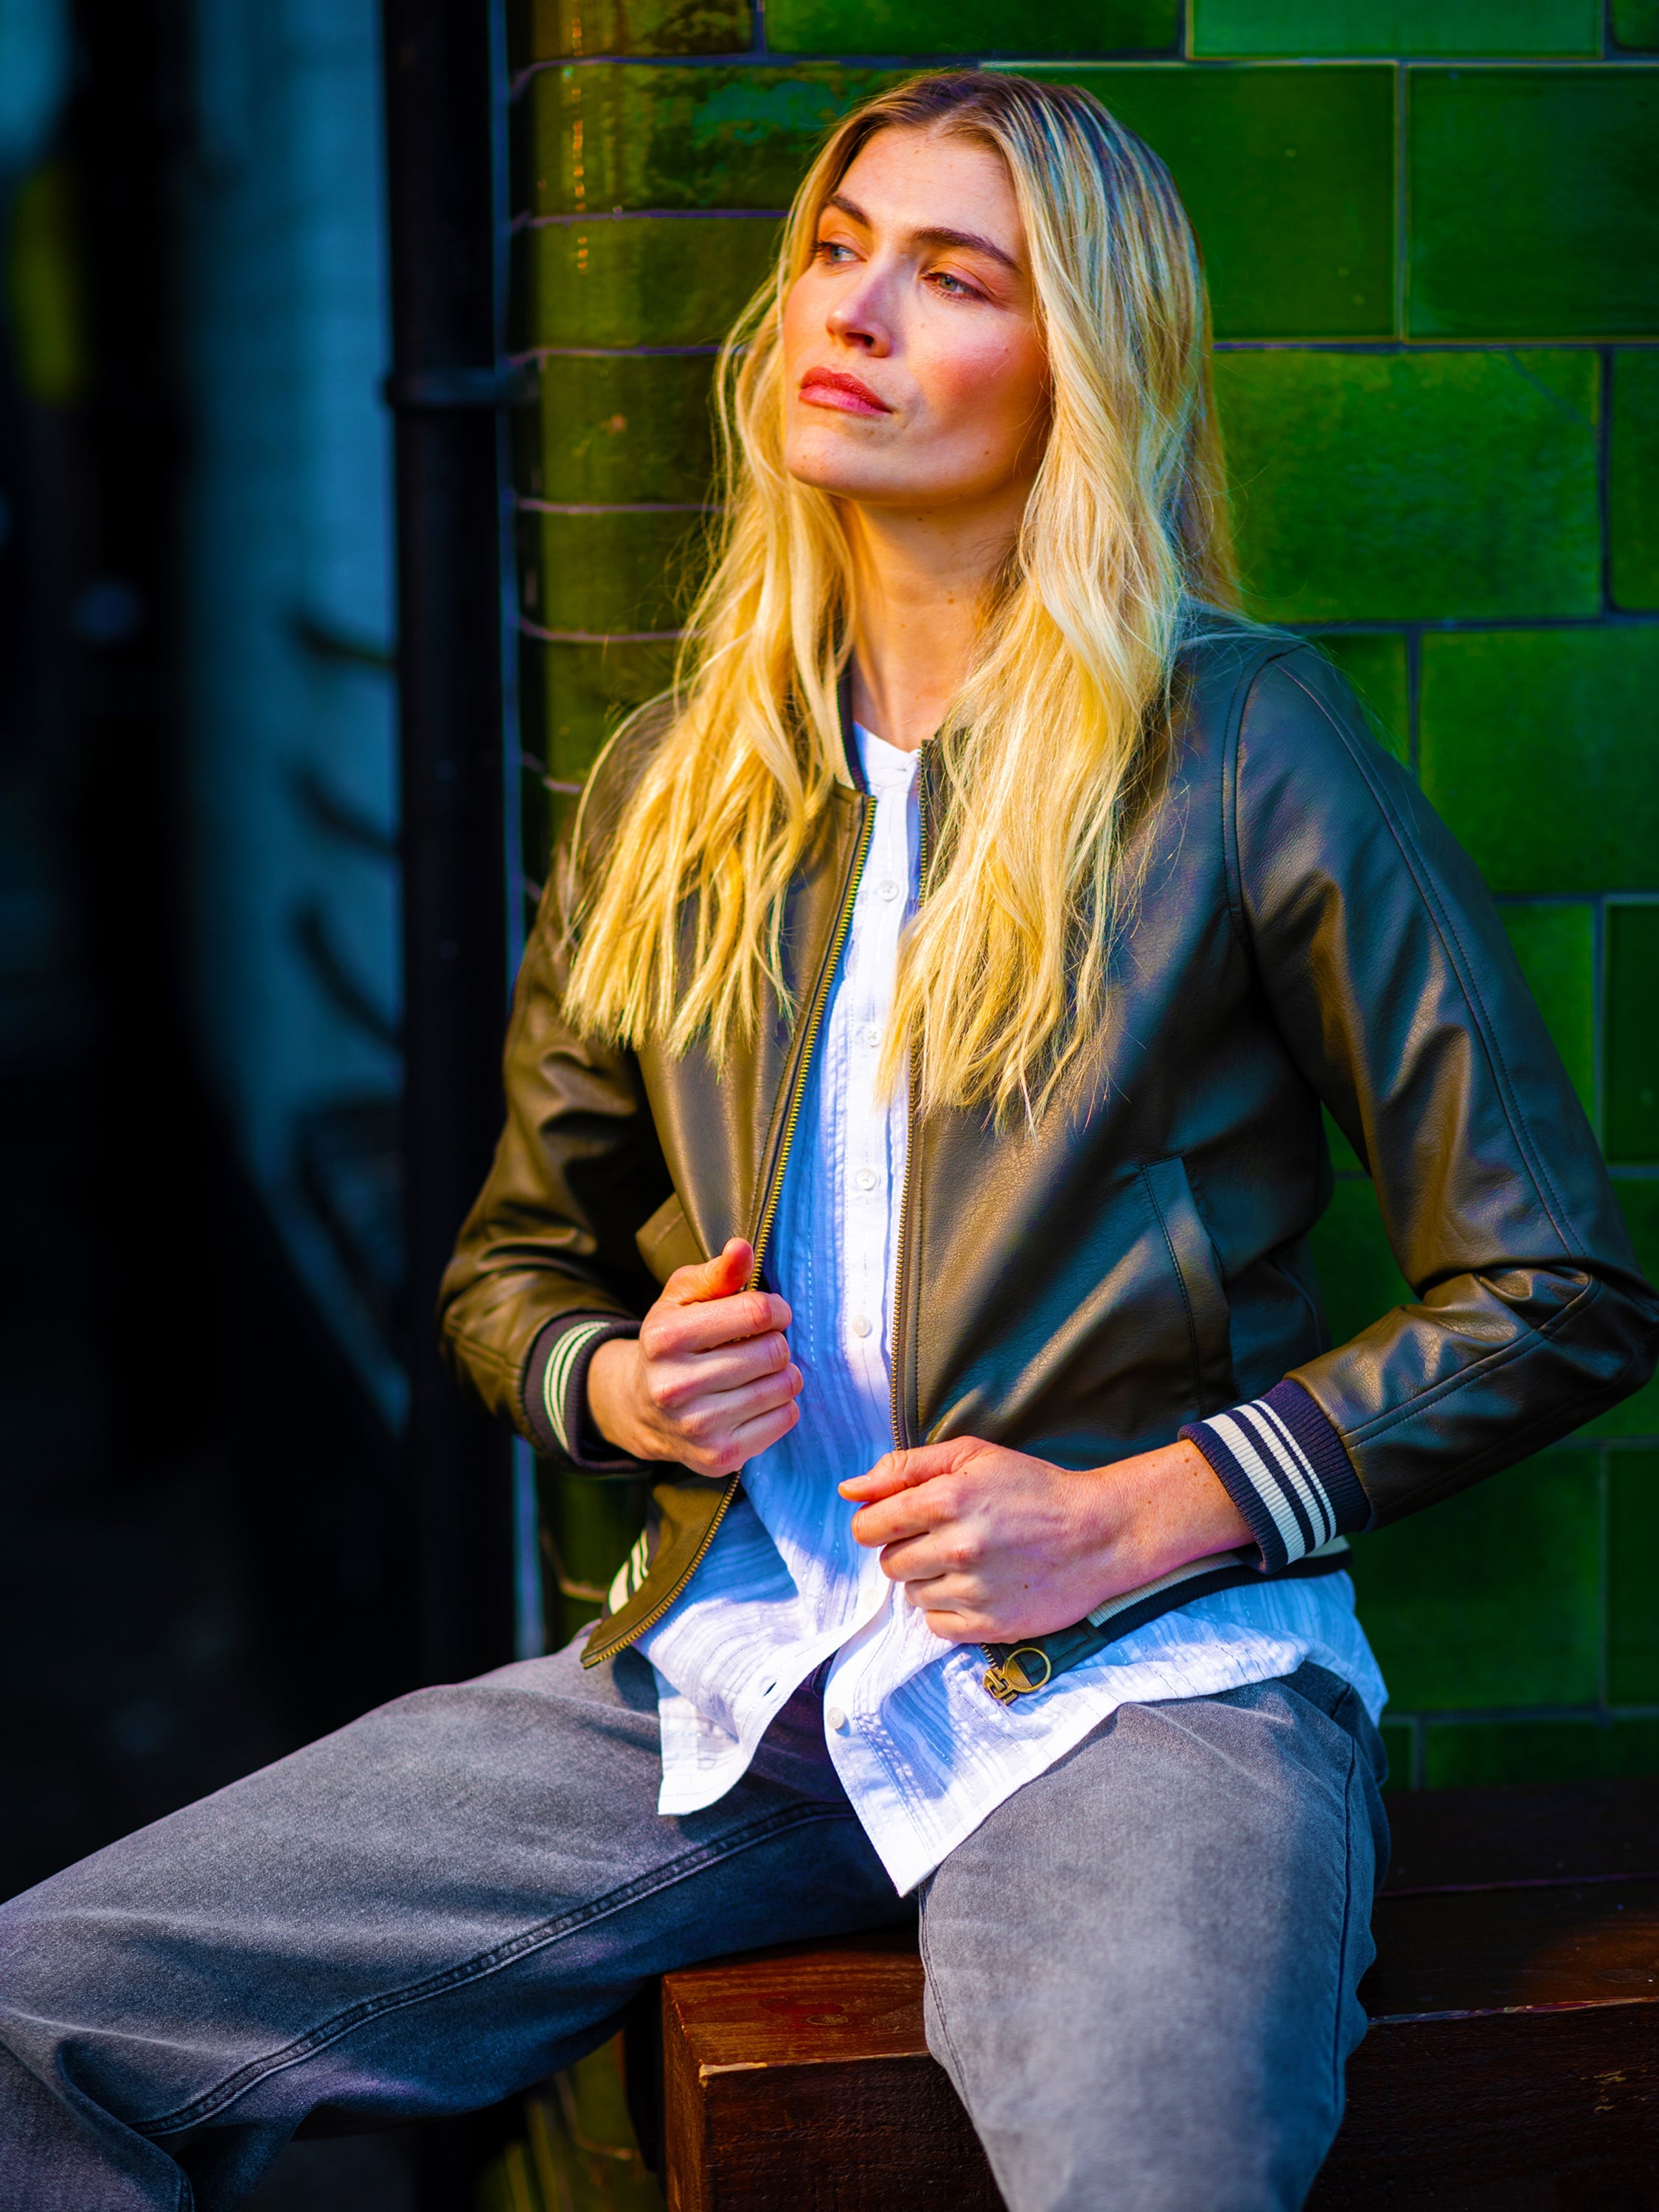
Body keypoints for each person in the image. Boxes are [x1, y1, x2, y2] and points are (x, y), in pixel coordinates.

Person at [1, 70, 1654, 2212]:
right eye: (835, 246)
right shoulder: (682, 781)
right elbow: (512, 1271)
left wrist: (1143, 1509)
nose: (852, 308)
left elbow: (1555, 1288)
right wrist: (619, 1378)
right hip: (733, 1685)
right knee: (43, 2005)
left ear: (1081, 365)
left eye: (950, 273)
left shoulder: (1242, 744)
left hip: (1137, 1698)